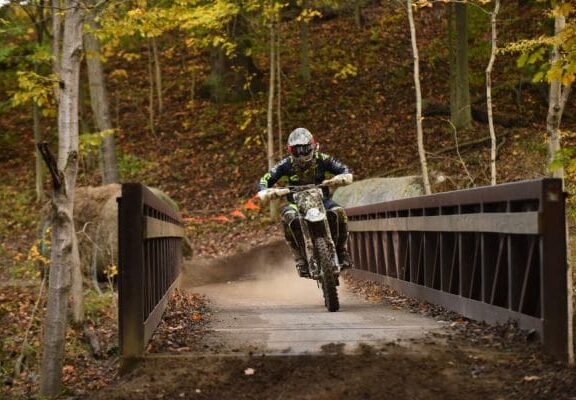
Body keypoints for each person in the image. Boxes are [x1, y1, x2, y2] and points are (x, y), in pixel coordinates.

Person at [257, 127, 353, 277]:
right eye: (297, 150)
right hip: (295, 202)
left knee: (339, 212)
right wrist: (264, 190)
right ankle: (299, 259)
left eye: (305, 149)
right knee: (288, 216)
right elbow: (265, 179)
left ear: (313, 146)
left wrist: (343, 177)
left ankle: (342, 251)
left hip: (322, 199)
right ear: (290, 150)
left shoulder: (322, 158)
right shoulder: (285, 164)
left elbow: (343, 168)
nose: (302, 153)